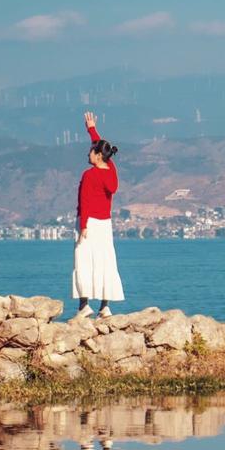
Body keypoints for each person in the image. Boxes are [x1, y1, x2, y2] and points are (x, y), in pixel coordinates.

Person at [72, 109, 123, 317]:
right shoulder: (110, 170)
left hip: (89, 223)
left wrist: (83, 226)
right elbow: (103, 147)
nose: (88, 153)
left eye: (91, 151)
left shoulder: (89, 175)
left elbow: (84, 202)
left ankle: (84, 306)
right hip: (105, 224)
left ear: (98, 155)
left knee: (83, 260)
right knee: (105, 261)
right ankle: (105, 306)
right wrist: (92, 130)